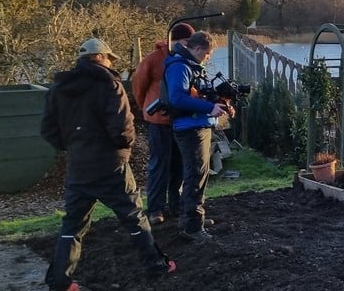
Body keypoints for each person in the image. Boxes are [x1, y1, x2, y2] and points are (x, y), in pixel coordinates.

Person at [40, 38, 175, 291]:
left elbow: (48, 129)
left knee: (72, 226)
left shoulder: (59, 87)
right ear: (101, 57)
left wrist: (74, 146)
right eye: (110, 59)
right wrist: (123, 147)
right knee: (133, 217)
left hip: (79, 166)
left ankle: (60, 282)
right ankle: (156, 265)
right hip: (111, 165)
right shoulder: (109, 85)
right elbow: (123, 128)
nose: (111, 63)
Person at [166, 30, 232, 242]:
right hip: (189, 128)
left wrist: (219, 104)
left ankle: (191, 218)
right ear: (196, 48)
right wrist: (209, 108)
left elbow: (197, 95)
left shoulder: (190, 66)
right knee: (195, 175)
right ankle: (193, 227)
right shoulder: (180, 67)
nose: (208, 57)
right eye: (207, 53)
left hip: (197, 125)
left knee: (198, 175)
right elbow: (177, 98)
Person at [131, 22, 194, 226]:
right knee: (159, 163)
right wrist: (148, 109)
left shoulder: (187, 59)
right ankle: (155, 208)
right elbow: (138, 86)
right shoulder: (153, 59)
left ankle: (177, 205)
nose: (189, 45)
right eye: (186, 41)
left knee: (179, 164)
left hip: (181, 120)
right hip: (159, 121)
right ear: (175, 40)